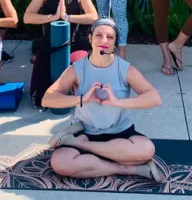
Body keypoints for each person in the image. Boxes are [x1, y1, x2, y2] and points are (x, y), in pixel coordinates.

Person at [42, 18, 164, 182]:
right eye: (99, 35)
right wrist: (81, 99)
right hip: (85, 131)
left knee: (146, 150)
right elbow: (48, 99)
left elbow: (154, 98)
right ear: (90, 38)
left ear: (115, 43)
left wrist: (117, 102)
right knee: (60, 163)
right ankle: (128, 168)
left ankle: (83, 147)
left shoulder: (125, 69)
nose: (104, 41)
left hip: (119, 133)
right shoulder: (76, 69)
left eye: (110, 37)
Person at [24, 0, 98, 109]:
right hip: (49, 45)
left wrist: (68, 17)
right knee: (39, 100)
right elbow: (27, 17)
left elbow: (93, 17)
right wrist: (53, 18)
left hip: (74, 46)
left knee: (79, 89)